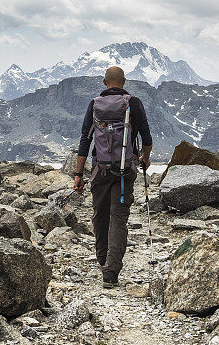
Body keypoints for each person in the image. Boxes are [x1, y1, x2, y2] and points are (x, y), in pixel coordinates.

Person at [73, 65, 152, 288]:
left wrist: (78, 174)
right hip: (125, 172)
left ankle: (102, 259)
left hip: (100, 171)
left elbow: (84, 141)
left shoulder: (94, 104)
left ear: (104, 82)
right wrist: (145, 158)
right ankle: (111, 271)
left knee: (100, 216)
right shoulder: (133, 103)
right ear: (124, 82)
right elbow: (146, 137)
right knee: (118, 218)